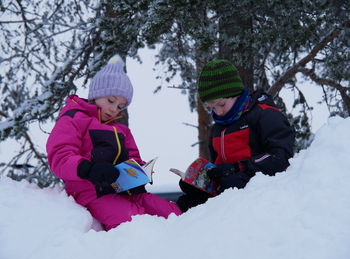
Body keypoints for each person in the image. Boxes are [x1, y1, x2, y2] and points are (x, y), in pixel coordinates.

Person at [46, 55, 181, 230]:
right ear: (96, 94)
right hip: (93, 193)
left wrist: (139, 170)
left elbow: (133, 156)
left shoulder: (121, 129)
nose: (114, 109)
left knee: (172, 214)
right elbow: (60, 156)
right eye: (111, 101)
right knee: (134, 223)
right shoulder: (74, 118)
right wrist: (89, 169)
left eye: (120, 106)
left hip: (127, 191)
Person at [176, 59, 295, 212]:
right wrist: (200, 184)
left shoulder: (265, 114)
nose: (218, 112)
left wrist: (239, 168)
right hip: (227, 198)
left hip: (262, 197)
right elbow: (220, 170)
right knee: (185, 204)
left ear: (235, 94)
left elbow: (281, 157)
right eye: (212, 107)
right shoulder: (218, 129)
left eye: (221, 104)